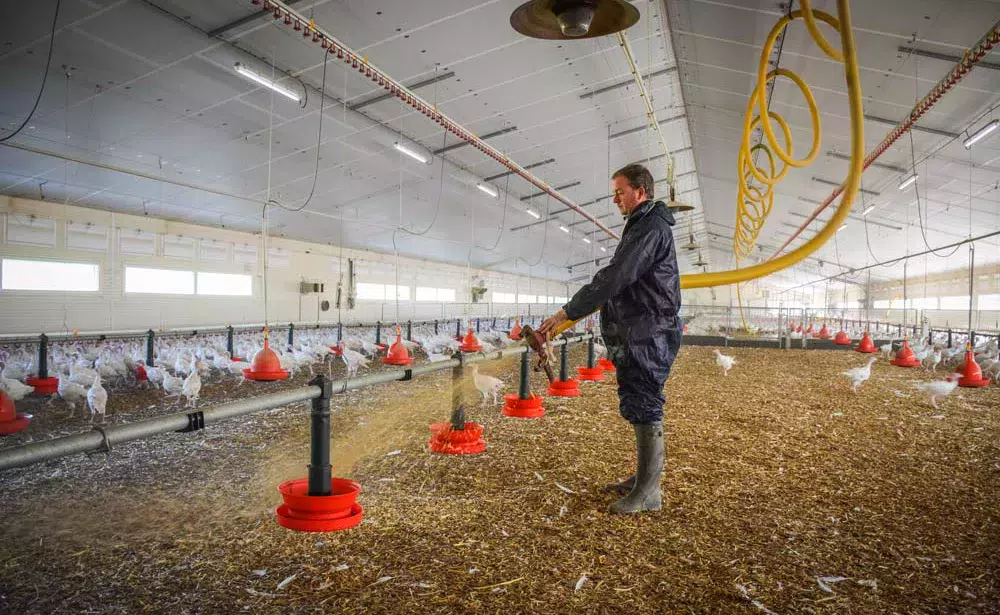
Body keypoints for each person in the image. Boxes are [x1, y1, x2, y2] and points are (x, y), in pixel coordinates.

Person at [539, 163, 682, 515]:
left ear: (641, 191)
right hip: (640, 330)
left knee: (646, 403)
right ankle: (642, 481)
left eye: (620, 191)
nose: (615, 198)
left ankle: (649, 492)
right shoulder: (643, 225)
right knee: (638, 401)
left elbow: (617, 276)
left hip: (648, 331)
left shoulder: (650, 227)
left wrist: (567, 313)